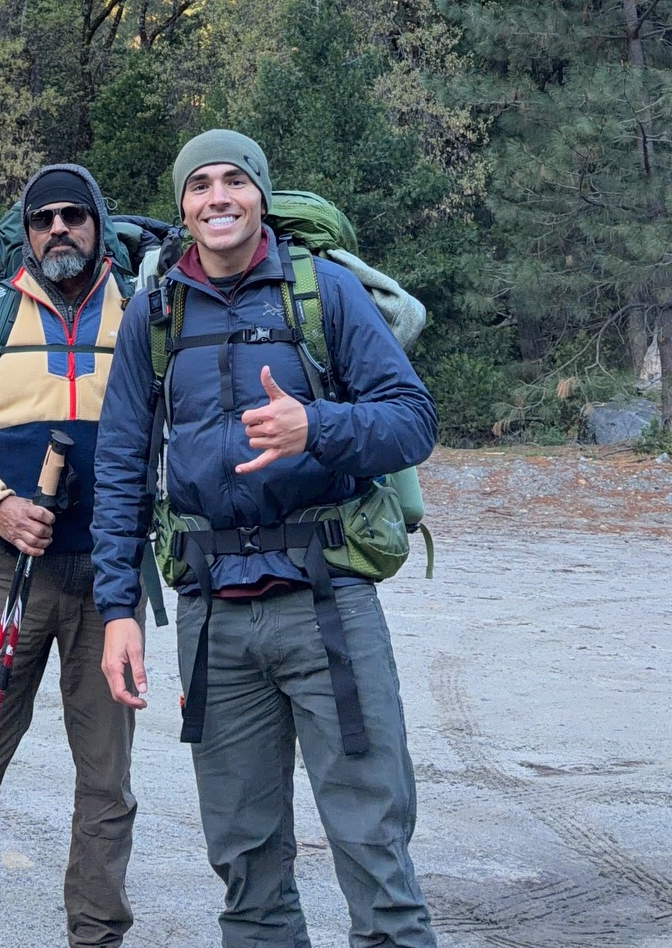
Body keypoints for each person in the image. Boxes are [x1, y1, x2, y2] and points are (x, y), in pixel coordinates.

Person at [92, 129, 441, 948]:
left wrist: (314, 427)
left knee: (374, 852)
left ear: (260, 194)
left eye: (235, 181)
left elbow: (412, 420)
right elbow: (120, 467)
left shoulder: (324, 293)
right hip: (212, 614)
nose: (218, 197)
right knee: (245, 869)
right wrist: (117, 611)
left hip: (328, 604)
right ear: (183, 205)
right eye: (200, 184)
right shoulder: (155, 313)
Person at [0, 164, 141, 948]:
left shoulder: (141, 311)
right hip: (1, 572)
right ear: (27, 231)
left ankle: (96, 937)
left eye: (75, 215)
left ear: (98, 224)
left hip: (109, 580)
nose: (59, 229)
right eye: (43, 218)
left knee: (106, 781)